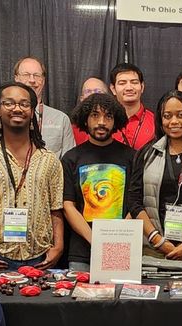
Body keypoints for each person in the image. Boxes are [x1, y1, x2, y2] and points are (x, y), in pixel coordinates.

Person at [0, 82, 64, 270]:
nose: (17, 108)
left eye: (24, 104)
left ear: (32, 111)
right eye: (9, 103)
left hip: (40, 259)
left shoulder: (49, 160)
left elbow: (56, 210)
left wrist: (58, 247)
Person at [127, 91, 182, 268]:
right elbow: (134, 200)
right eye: (167, 116)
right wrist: (157, 240)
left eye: (181, 115)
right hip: (152, 249)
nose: (173, 121)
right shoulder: (147, 153)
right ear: (160, 120)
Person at [61, 93, 135, 271]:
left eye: (108, 116)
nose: (101, 122)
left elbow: (137, 203)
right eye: (95, 115)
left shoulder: (132, 156)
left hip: (122, 248)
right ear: (85, 120)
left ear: (115, 120)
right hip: (82, 253)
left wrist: (118, 239)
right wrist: (96, 240)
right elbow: (68, 206)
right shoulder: (71, 158)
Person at [13, 56, 75, 158]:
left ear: (43, 80)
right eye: (26, 75)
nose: (32, 80)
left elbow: (69, 164)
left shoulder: (61, 120)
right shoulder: (1, 115)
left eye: (37, 75)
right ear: (16, 78)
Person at [110, 63, 156, 151]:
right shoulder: (105, 121)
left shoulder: (156, 121)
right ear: (113, 89)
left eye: (134, 82)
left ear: (142, 87)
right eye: (122, 83)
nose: (129, 88)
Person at [72, 76, 110, 145]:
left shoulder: (112, 126)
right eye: (88, 91)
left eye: (98, 91)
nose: (93, 94)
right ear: (81, 98)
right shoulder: (72, 129)